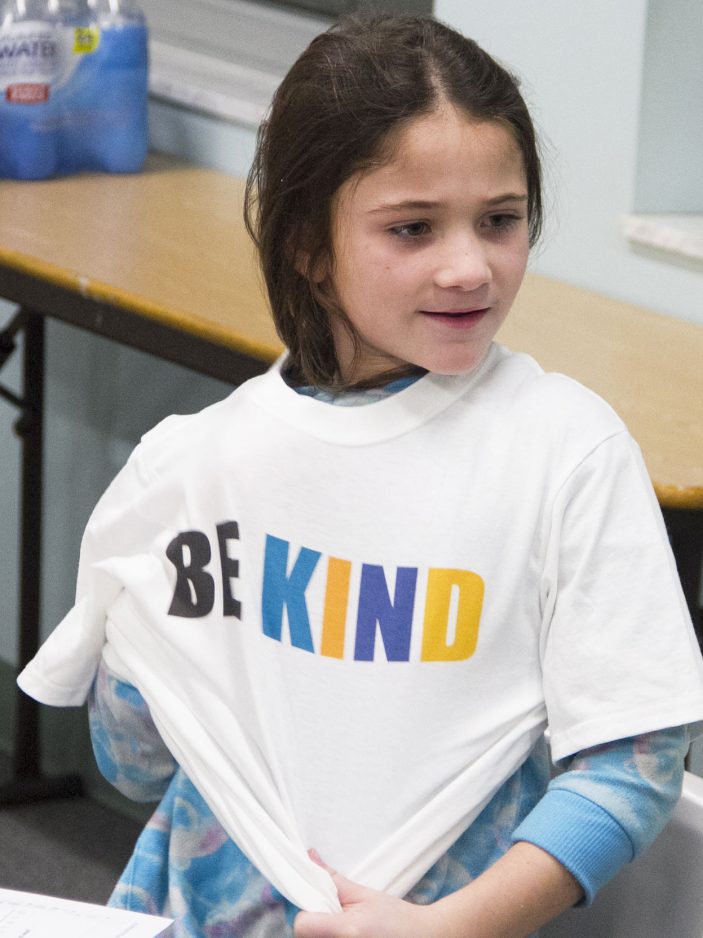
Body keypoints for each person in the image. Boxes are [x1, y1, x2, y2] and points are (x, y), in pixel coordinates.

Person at [17, 13, 703, 938]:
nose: (468, 266)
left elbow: (637, 759)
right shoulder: (195, 464)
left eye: (500, 220)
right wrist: (151, 654)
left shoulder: (565, 453)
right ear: (306, 242)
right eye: (412, 228)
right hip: (195, 911)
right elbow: (134, 762)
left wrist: (454, 926)